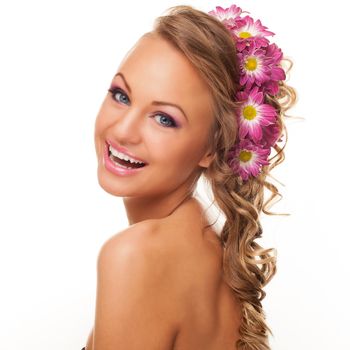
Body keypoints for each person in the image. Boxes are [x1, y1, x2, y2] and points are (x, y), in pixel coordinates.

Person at [82, 4, 297, 350]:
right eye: (121, 96)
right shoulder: (209, 248)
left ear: (211, 149)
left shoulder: (135, 256)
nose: (122, 131)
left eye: (164, 119)